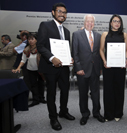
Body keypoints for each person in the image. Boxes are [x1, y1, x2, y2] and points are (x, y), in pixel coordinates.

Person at [36, 2, 75, 131]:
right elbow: (40, 46)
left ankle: (63, 111)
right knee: (51, 93)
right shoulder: (45, 25)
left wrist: (69, 58)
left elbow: (65, 49)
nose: (62, 14)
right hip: (50, 67)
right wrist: (53, 58)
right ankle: (53, 118)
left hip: (64, 67)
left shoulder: (67, 31)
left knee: (65, 91)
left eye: (64, 12)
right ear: (53, 12)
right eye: (59, 11)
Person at [72, 14, 105, 125]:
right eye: (88, 21)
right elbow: (75, 53)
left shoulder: (98, 35)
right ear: (84, 22)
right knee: (83, 94)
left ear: (94, 23)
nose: (90, 23)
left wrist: (100, 68)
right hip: (82, 70)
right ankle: (85, 114)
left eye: (92, 22)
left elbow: (99, 53)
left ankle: (97, 113)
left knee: (96, 93)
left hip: (95, 70)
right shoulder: (76, 34)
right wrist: (78, 68)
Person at [100, 14, 127, 122]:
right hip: (108, 66)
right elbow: (101, 50)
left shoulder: (124, 35)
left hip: (120, 66)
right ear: (111, 23)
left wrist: (125, 60)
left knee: (119, 89)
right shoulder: (105, 34)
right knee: (108, 90)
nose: (116, 23)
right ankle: (108, 114)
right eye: (114, 21)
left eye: (118, 21)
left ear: (120, 24)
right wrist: (104, 61)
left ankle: (118, 113)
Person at [12, 33, 46, 107]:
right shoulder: (26, 50)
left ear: (36, 40)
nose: (30, 41)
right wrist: (18, 67)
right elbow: (23, 60)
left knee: (41, 83)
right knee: (33, 85)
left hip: (40, 69)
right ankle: (35, 99)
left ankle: (42, 98)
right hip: (30, 69)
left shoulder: (40, 49)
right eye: (29, 39)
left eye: (32, 39)